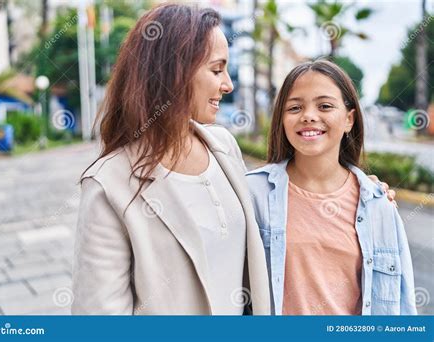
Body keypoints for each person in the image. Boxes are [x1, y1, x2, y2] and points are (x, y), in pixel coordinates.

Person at [72, 3, 270, 315]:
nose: (228, 84)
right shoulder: (107, 184)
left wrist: (354, 184)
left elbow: (275, 202)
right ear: (175, 72)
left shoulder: (224, 146)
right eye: (217, 70)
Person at [246, 60, 416, 315]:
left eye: (324, 106)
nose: (309, 116)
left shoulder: (378, 206)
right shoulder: (252, 194)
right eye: (295, 107)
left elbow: (402, 308)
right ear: (281, 119)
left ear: (349, 119)